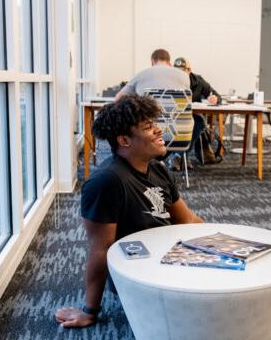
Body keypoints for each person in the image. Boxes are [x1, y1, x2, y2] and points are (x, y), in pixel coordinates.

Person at [55, 95, 204, 328]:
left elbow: (187, 219)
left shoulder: (158, 169)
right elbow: (100, 249)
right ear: (124, 140)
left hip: (169, 253)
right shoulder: (105, 182)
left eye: (155, 124)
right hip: (140, 269)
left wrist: (219, 241)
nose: (158, 130)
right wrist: (90, 311)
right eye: (148, 127)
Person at [173, 57, 222, 168]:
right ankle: (181, 156)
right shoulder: (170, 80)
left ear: (189, 70)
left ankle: (179, 155)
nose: (178, 74)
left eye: (182, 70)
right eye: (176, 70)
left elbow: (216, 95)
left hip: (191, 116)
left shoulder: (198, 81)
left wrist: (215, 98)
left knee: (200, 121)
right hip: (173, 116)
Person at [114, 48, 190, 101]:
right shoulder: (184, 76)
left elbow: (118, 98)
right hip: (180, 123)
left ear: (152, 62)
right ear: (169, 62)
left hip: (148, 123)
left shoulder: (141, 74)